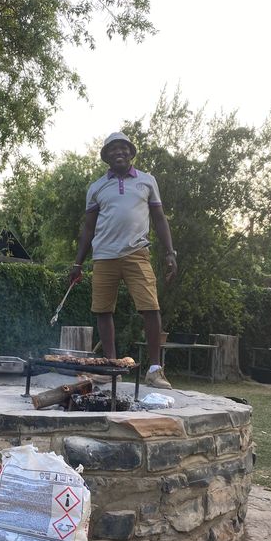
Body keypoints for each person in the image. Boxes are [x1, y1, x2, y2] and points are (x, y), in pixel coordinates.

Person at [69, 131, 177, 388]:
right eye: (113, 149)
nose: (119, 152)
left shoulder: (147, 181)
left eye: (123, 148)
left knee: (151, 307)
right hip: (103, 256)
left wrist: (170, 252)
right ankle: (110, 365)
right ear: (106, 157)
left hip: (137, 253)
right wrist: (77, 263)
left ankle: (154, 369)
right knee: (103, 310)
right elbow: (88, 228)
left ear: (131, 153)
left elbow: (160, 219)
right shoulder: (96, 187)